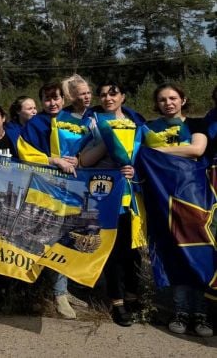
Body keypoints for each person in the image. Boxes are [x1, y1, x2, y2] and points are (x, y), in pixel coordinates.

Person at [143, 84, 212, 337]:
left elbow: (197, 150)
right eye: (162, 99)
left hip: (195, 198)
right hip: (163, 199)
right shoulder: (148, 127)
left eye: (173, 98)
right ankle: (180, 311)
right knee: (174, 255)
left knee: (198, 253)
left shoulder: (196, 124)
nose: (168, 103)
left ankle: (201, 313)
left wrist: (156, 152)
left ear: (183, 99)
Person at [18, 83, 89, 319]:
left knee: (68, 238)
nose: (53, 103)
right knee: (50, 239)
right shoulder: (35, 124)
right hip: (45, 188)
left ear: (63, 98)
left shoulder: (73, 119)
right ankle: (55, 294)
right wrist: (53, 160)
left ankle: (63, 290)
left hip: (73, 188)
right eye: (47, 99)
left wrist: (79, 160)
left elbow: (89, 146)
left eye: (56, 98)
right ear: (41, 102)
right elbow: (25, 153)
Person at [77, 82, 145, 326]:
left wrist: (134, 168)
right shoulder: (94, 124)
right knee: (112, 251)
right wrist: (108, 139)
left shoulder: (137, 123)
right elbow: (83, 160)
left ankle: (133, 296)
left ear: (123, 96)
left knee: (133, 250)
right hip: (104, 198)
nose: (107, 97)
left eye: (113, 93)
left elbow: (148, 157)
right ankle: (116, 302)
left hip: (133, 197)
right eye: (103, 94)